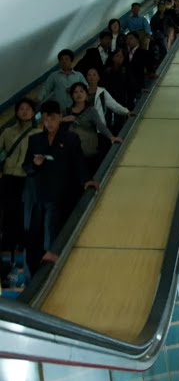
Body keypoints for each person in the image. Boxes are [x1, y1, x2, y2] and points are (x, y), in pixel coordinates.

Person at [23, 101, 98, 276]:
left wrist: (86, 180)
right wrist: (35, 164)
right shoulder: (34, 140)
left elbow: (79, 162)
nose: (49, 122)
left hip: (60, 193)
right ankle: (33, 272)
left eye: (53, 118)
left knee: (53, 226)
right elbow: (26, 167)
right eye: (46, 119)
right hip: (36, 194)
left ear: (60, 117)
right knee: (33, 233)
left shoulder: (70, 138)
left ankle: (52, 261)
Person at [0, 98, 39, 263]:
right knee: (8, 209)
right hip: (8, 175)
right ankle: (8, 241)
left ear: (33, 112)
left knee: (24, 209)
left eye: (28, 109)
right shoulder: (8, 132)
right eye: (21, 109)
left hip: (26, 177)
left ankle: (22, 241)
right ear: (16, 112)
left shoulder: (38, 134)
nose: (24, 111)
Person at [63, 83, 122, 173]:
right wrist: (63, 120)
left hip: (88, 154)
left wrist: (111, 137)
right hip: (72, 156)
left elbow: (101, 126)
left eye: (81, 91)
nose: (78, 94)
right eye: (75, 92)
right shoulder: (66, 112)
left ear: (86, 94)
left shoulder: (91, 111)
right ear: (71, 95)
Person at [124, 32, 156, 107]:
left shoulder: (144, 53)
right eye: (127, 39)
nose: (128, 41)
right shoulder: (124, 54)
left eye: (131, 38)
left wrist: (152, 74)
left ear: (137, 40)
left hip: (139, 86)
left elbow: (150, 69)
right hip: (127, 88)